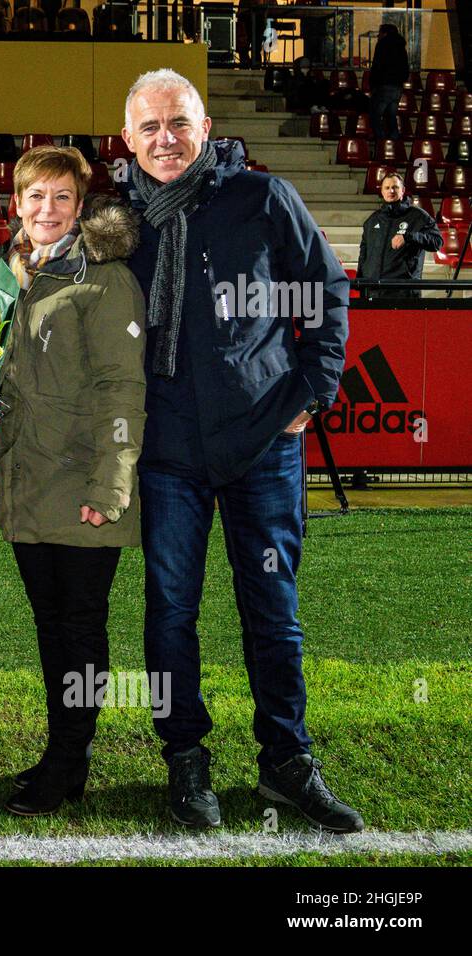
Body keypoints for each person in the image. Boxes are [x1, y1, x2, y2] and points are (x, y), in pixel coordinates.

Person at [119, 69, 364, 832]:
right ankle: (185, 758)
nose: (166, 139)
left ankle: (287, 761)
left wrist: (312, 393)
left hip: (261, 444)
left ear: (204, 127)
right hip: (165, 453)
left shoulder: (262, 198)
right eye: (150, 127)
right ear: (127, 139)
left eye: (179, 123)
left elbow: (326, 292)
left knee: (274, 610)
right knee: (170, 613)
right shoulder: (117, 223)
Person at [0, 147, 146, 817]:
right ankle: (63, 751)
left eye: (61, 198)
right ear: (17, 205)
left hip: (83, 483)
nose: (47, 210)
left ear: (80, 207)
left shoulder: (107, 281)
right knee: (52, 628)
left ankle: (69, 758)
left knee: (79, 628)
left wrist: (111, 485)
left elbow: (122, 387)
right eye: (35, 197)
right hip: (28, 480)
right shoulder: (12, 277)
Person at [357, 172, 442, 299]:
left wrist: (409, 237)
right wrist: (360, 283)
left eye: (395, 187)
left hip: (403, 292)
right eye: (387, 188)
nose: (391, 191)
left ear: (403, 190)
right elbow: (363, 255)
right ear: (382, 191)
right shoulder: (372, 220)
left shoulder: (418, 216)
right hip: (373, 291)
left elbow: (437, 242)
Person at [369, 23, 409, 148]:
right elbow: (405, 67)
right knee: (391, 114)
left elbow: (377, 66)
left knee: (375, 113)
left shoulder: (382, 45)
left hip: (384, 84)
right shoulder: (401, 46)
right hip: (397, 85)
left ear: (385, 33)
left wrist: (373, 84)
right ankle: (394, 139)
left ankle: (381, 140)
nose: (378, 36)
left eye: (379, 33)